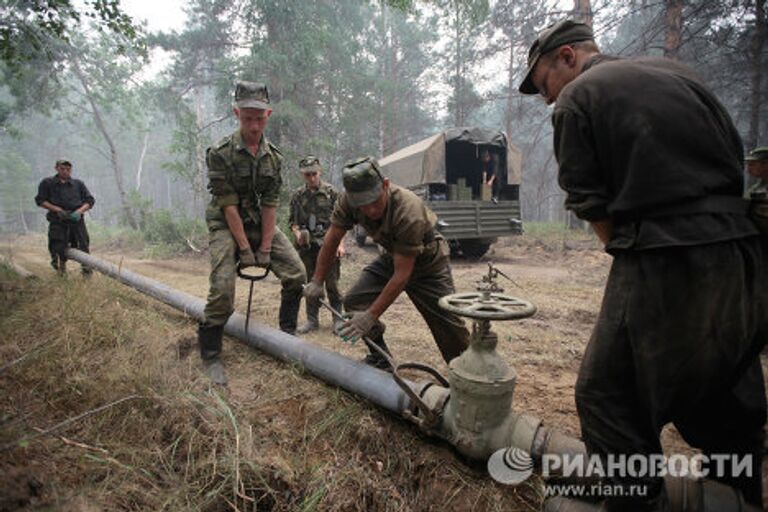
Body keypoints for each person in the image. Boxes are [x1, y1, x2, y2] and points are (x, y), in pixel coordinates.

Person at [519, 20, 767, 511]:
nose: (547, 99)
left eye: (544, 83)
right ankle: (737, 497)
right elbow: (734, 155)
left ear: (567, 57)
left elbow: (592, 206)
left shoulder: (578, 98)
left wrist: (634, 254)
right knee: (726, 392)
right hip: (744, 256)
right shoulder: (680, 73)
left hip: (663, 259)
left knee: (607, 399)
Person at [302, 156, 470, 370]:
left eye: (374, 201)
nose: (370, 210)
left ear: (386, 184)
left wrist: (371, 316)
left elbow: (402, 276)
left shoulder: (408, 210)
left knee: (448, 323)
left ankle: (468, 376)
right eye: (363, 205)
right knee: (355, 301)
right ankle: (381, 359)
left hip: (429, 264)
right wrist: (317, 280)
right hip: (394, 255)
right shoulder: (348, 201)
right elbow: (331, 240)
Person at [198, 81, 305, 385]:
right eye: (247, 118)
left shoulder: (274, 157)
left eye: (259, 118)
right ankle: (211, 355)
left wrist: (266, 248)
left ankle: (287, 336)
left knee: (297, 273)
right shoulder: (219, 153)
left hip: (258, 221)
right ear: (236, 113)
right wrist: (245, 250)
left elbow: (270, 203)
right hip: (225, 221)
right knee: (222, 288)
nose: (254, 125)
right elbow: (228, 204)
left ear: (268, 115)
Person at [289, 155, 345, 334]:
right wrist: (298, 234)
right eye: (307, 175)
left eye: (314, 174)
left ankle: (338, 319)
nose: (312, 178)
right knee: (310, 283)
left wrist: (340, 244)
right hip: (307, 247)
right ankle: (312, 320)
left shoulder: (332, 193)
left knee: (332, 283)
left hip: (328, 243)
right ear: (302, 175)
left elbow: (343, 222)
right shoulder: (298, 195)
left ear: (320, 172)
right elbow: (292, 222)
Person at [34, 159, 94, 276]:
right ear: (56, 168)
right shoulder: (47, 183)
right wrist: (58, 210)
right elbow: (40, 200)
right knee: (58, 246)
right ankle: (61, 272)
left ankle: (86, 272)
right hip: (58, 220)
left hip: (76, 221)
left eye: (68, 169)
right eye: (62, 169)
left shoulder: (78, 184)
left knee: (83, 244)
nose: (66, 171)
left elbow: (90, 201)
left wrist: (79, 211)